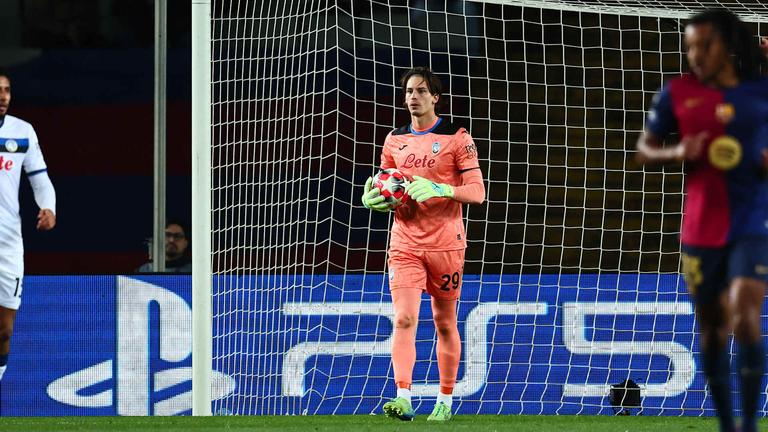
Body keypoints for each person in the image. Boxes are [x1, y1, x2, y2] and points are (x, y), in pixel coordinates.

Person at [636, 10, 768, 432]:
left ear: (727, 45)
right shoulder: (677, 93)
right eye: (690, 46)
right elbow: (644, 148)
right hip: (699, 229)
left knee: (746, 316)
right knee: (713, 331)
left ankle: (749, 424)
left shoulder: (759, 90)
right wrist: (675, 153)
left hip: (752, 223)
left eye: (705, 45)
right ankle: (728, 424)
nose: (695, 54)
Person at [361, 67, 485, 421]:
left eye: (420, 91)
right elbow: (384, 183)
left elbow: (477, 193)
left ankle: (444, 402)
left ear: (435, 98)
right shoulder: (394, 141)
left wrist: (441, 188)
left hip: (446, 245)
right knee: (403, 319)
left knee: (444, 322)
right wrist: (372, 198)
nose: (412, 97)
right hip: (405, 242)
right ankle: (403, 397)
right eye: (408, 91)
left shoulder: (457, 138)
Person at [0, 68, 57, 383]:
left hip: (7, 244)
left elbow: (41, 180)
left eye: (7, 90)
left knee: (5, 329)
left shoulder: (22, 132)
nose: (2, 96)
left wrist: (48, 208)